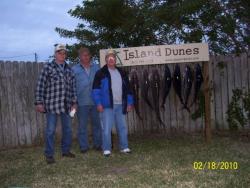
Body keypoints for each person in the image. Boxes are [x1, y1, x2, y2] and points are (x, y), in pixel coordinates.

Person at [35, 44, 77, 164]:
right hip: (52, 105)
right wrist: (39, 102)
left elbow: (73, 88)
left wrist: (74, 103)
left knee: (68, 129)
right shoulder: (48, 67)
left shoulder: (70, 70)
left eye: (64, 53)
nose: (62, 55)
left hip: (67, 105)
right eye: (59, 52)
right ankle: (49, 154)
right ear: (55, 54)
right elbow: (40, 86)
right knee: (50, 131)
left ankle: (66, 151)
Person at [92, 49, 133, 157]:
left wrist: (129, 103)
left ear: (115, 60)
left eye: (113, 57)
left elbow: (128, 89)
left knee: (122, 127)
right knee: (106, 129)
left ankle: (124, 147)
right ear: (106, 60)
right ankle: (106, 148)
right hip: (107, 105)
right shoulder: (100, 73)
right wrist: (98, 104)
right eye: (109, 58)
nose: (111, 59)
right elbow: (95, 90)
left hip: (121, 105)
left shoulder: (122, 73)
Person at [72, 47, 102, 153]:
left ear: (90, 56)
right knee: (82, 126)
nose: (86, 57)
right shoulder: (74, 69)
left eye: (87, 55)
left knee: (97, 124)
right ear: (79, 57)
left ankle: (98, 144)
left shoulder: (97, 68)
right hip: (81, 102)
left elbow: (101, 84)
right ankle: (84, 147)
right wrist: (74, 102)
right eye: (83, 55)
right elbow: (72, 87)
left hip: (95, 101)